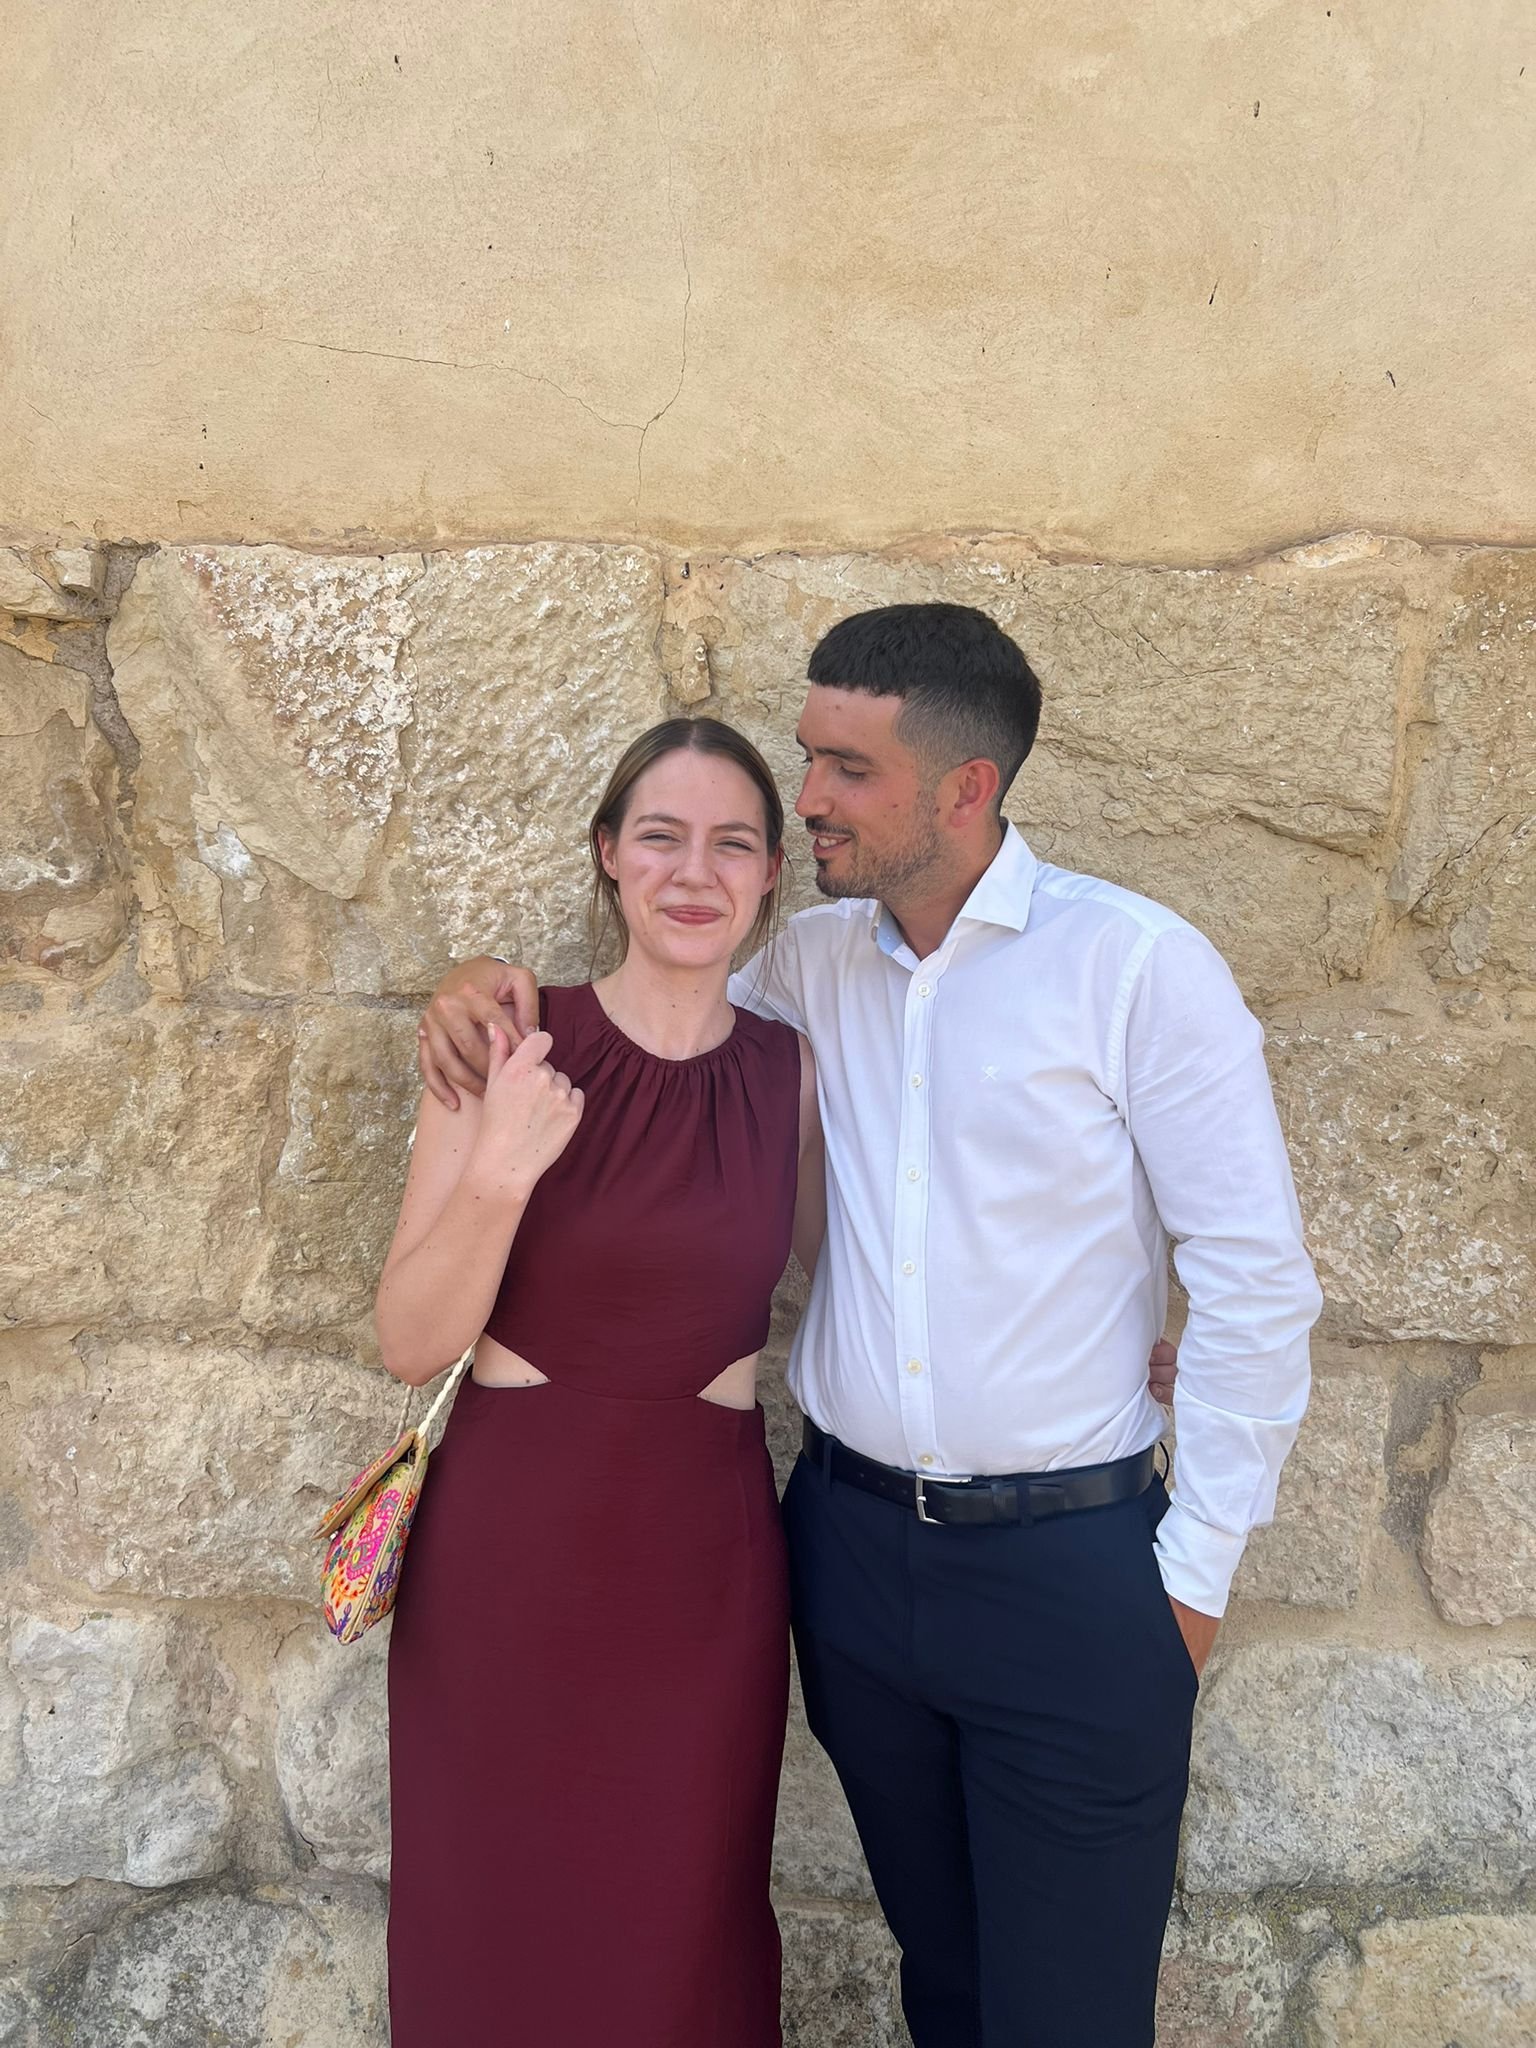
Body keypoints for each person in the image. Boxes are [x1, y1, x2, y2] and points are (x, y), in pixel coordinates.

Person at [419, 603, 1321, 2048]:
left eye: (845, 770)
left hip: (1071, 1572)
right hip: (850, 1557)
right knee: (945, 1986)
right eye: (810, 759)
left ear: (965, 790)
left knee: (1066, 2019)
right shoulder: (808, 972)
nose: (812, 800)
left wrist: (1187, 1592)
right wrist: (475, 991)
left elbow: (1259, 1283)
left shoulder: (1138, 970)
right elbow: (657, 1008)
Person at [375, 717, 824, 2048]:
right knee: (495, 1924)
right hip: (512, 1559)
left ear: (769, 875)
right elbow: (411, 1337)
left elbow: (883, 1267)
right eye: (662, 836)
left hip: (706, 1568)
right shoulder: (508, 1045)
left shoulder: (792, 1072)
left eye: (732, 842)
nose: (697, 871)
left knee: (682, 1937)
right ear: (609, 859)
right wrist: (507, 1166)